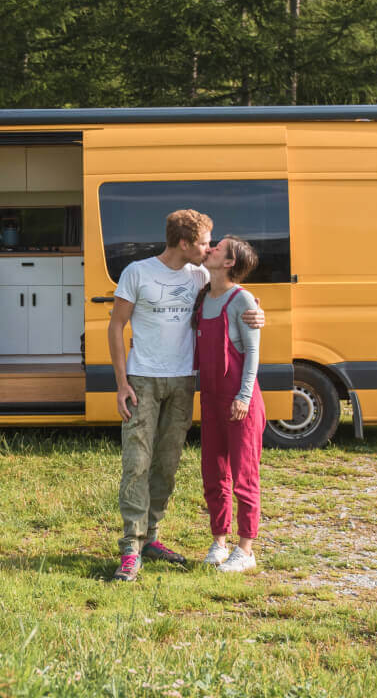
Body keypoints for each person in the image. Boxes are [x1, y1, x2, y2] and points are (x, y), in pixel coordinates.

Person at [108, 210, 264, 582]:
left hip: (183, 383)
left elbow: (237, 297)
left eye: (213, 245)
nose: (208, 248)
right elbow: (116, 325)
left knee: (166, 465)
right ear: (184, 243)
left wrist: (259, 314)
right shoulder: (137, 272)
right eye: (204, 242)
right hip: (143, 380)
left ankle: (152, 538)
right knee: (137, 463)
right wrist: (121, 383)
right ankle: (131, 547)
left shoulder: (200, 276)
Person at [193, 236, 265, 572]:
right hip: (211, 398)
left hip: (239, 402)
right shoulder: (203, 295)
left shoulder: (242, 299)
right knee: (213, 472)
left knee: (243, 475)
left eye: (217, 247)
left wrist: (244, 397)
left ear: (229, 262)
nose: (210, 249)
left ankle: (245, 550)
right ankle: (219, 543)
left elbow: (252, 352)